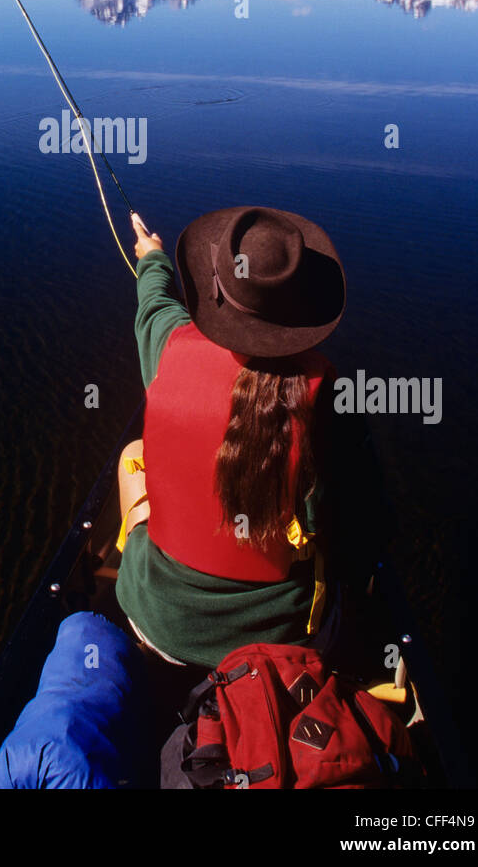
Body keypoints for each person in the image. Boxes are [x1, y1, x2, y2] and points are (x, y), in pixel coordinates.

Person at [115, 205, 383, 669]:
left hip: (158, 626)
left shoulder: (171, 348)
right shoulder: (331, 404)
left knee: (133, 455)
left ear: (217, 293)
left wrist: (151, 256)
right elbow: (358, 531)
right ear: (304, 311)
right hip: (282, 650)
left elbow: (155, 305)